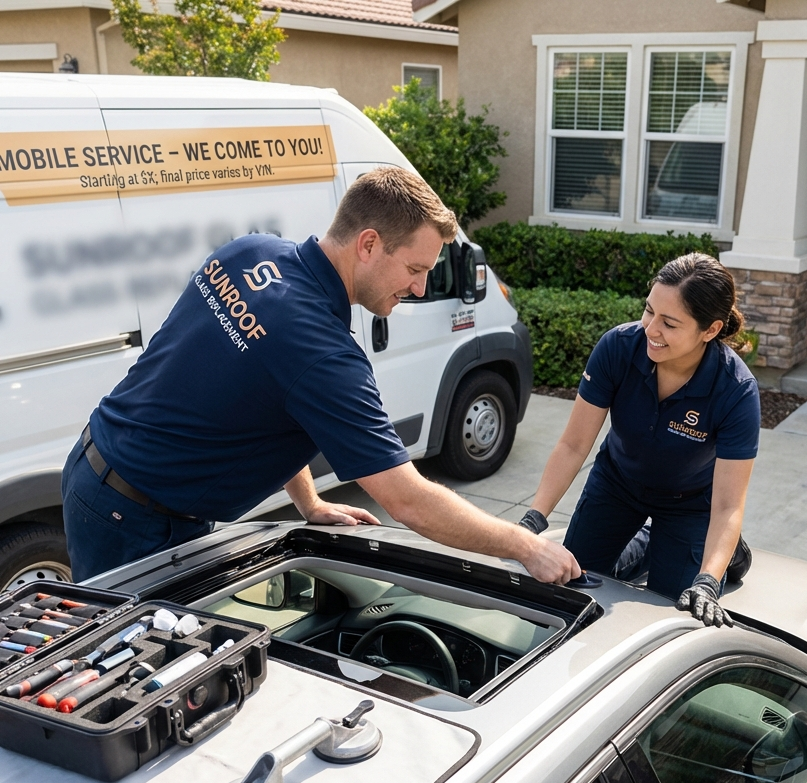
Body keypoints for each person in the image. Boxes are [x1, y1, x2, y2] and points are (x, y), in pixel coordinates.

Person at [61, 167, 579, 585]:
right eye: (416, 269)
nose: (420, 289)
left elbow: (263, 393)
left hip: (95, 467)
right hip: (135, 520)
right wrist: (526, 545)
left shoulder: (249, 252)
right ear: (370, 243)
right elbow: (407, 499)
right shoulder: (324, 356)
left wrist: (308, 502)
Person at [518, 253, 760, 628]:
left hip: (691, 502)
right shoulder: (618, 348)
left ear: (710, 330)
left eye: (669, 323)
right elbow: (573, 445)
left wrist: (709, 580)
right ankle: (653, 540)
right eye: (649, 311)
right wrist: (533, 520)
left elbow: (729, 504)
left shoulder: (736, 390)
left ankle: (724, 555)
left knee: (672, 608)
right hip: (617, 483)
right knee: (572, 582)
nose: (650, 329)